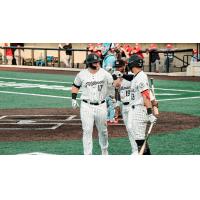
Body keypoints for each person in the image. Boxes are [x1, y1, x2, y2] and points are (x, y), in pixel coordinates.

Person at [113, 54, 157, 155]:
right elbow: (131, 79)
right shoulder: (138, 76)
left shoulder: (140, 77)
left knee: (140, 140)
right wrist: (121, 75)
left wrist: (150, 113)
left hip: (139, 110)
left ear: (132, 64)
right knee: (139, 139)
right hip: (135, 109)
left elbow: (146, 95)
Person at [71, 53, 114, 155]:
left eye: (98, 61)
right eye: (95, 62)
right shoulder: (81, 74)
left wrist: (113, 98)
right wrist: (73, 99)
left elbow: (112, 86)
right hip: (86, 106)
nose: (97, 63)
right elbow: (75, 86)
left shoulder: (105, 73)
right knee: (87, 131)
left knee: (103, 131)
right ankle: (88, 154)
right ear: (89, 63)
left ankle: (104, 151)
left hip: (101, 105)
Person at [113, 59, 138, 154]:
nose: (118, 69)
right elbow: (117, 91)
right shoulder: (117, 78)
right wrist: (117, 105)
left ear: (124, 66)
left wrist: (122, 75)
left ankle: (138, 148)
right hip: (124, 106)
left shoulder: (131, 74)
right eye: (116, 67)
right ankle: (135, 149)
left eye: (120, 66)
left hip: (133, 106)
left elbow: (133, 78)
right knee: (128, 129)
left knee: (132, 127)